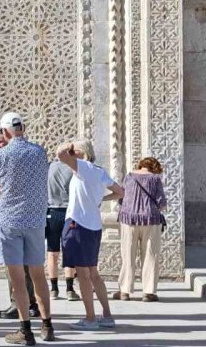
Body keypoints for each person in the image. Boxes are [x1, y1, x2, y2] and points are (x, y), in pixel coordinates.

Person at [0, 112, 54, 346]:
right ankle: (47, 325)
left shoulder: (0, 156)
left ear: (5, 132)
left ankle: (25, 330)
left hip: (10, 221)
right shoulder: (39, 152)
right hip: (35, 221)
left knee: (17, 279)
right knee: (38, 275)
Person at [55, 140, 125, 329]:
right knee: (93, 273)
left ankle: (90, 318)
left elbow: (60, 154)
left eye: (74, 151)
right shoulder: (98, 170)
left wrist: (69, 145)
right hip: (93, 225)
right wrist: (101, 198)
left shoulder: (83, 167)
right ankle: (107, 315)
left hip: (78, 225)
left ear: (81, 152)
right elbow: (120, 192)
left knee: (83, 275)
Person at [115, 157, 167, 302]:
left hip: (129, 220)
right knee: (151, 255)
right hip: (151, 220)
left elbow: (122, 198)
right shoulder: (155, 179)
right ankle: (149, 292)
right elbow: (162, 203)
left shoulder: (129, 176)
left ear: (141, 165)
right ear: (154, 167)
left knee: (128, 255)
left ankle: (125, 291)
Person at [47, 150, 81, 302]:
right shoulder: (74, 168)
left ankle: (53, 288)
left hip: (52, 211)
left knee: (52, 252)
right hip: (69, 212)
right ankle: (69, 288)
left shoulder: (49, 167)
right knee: (69, 250)